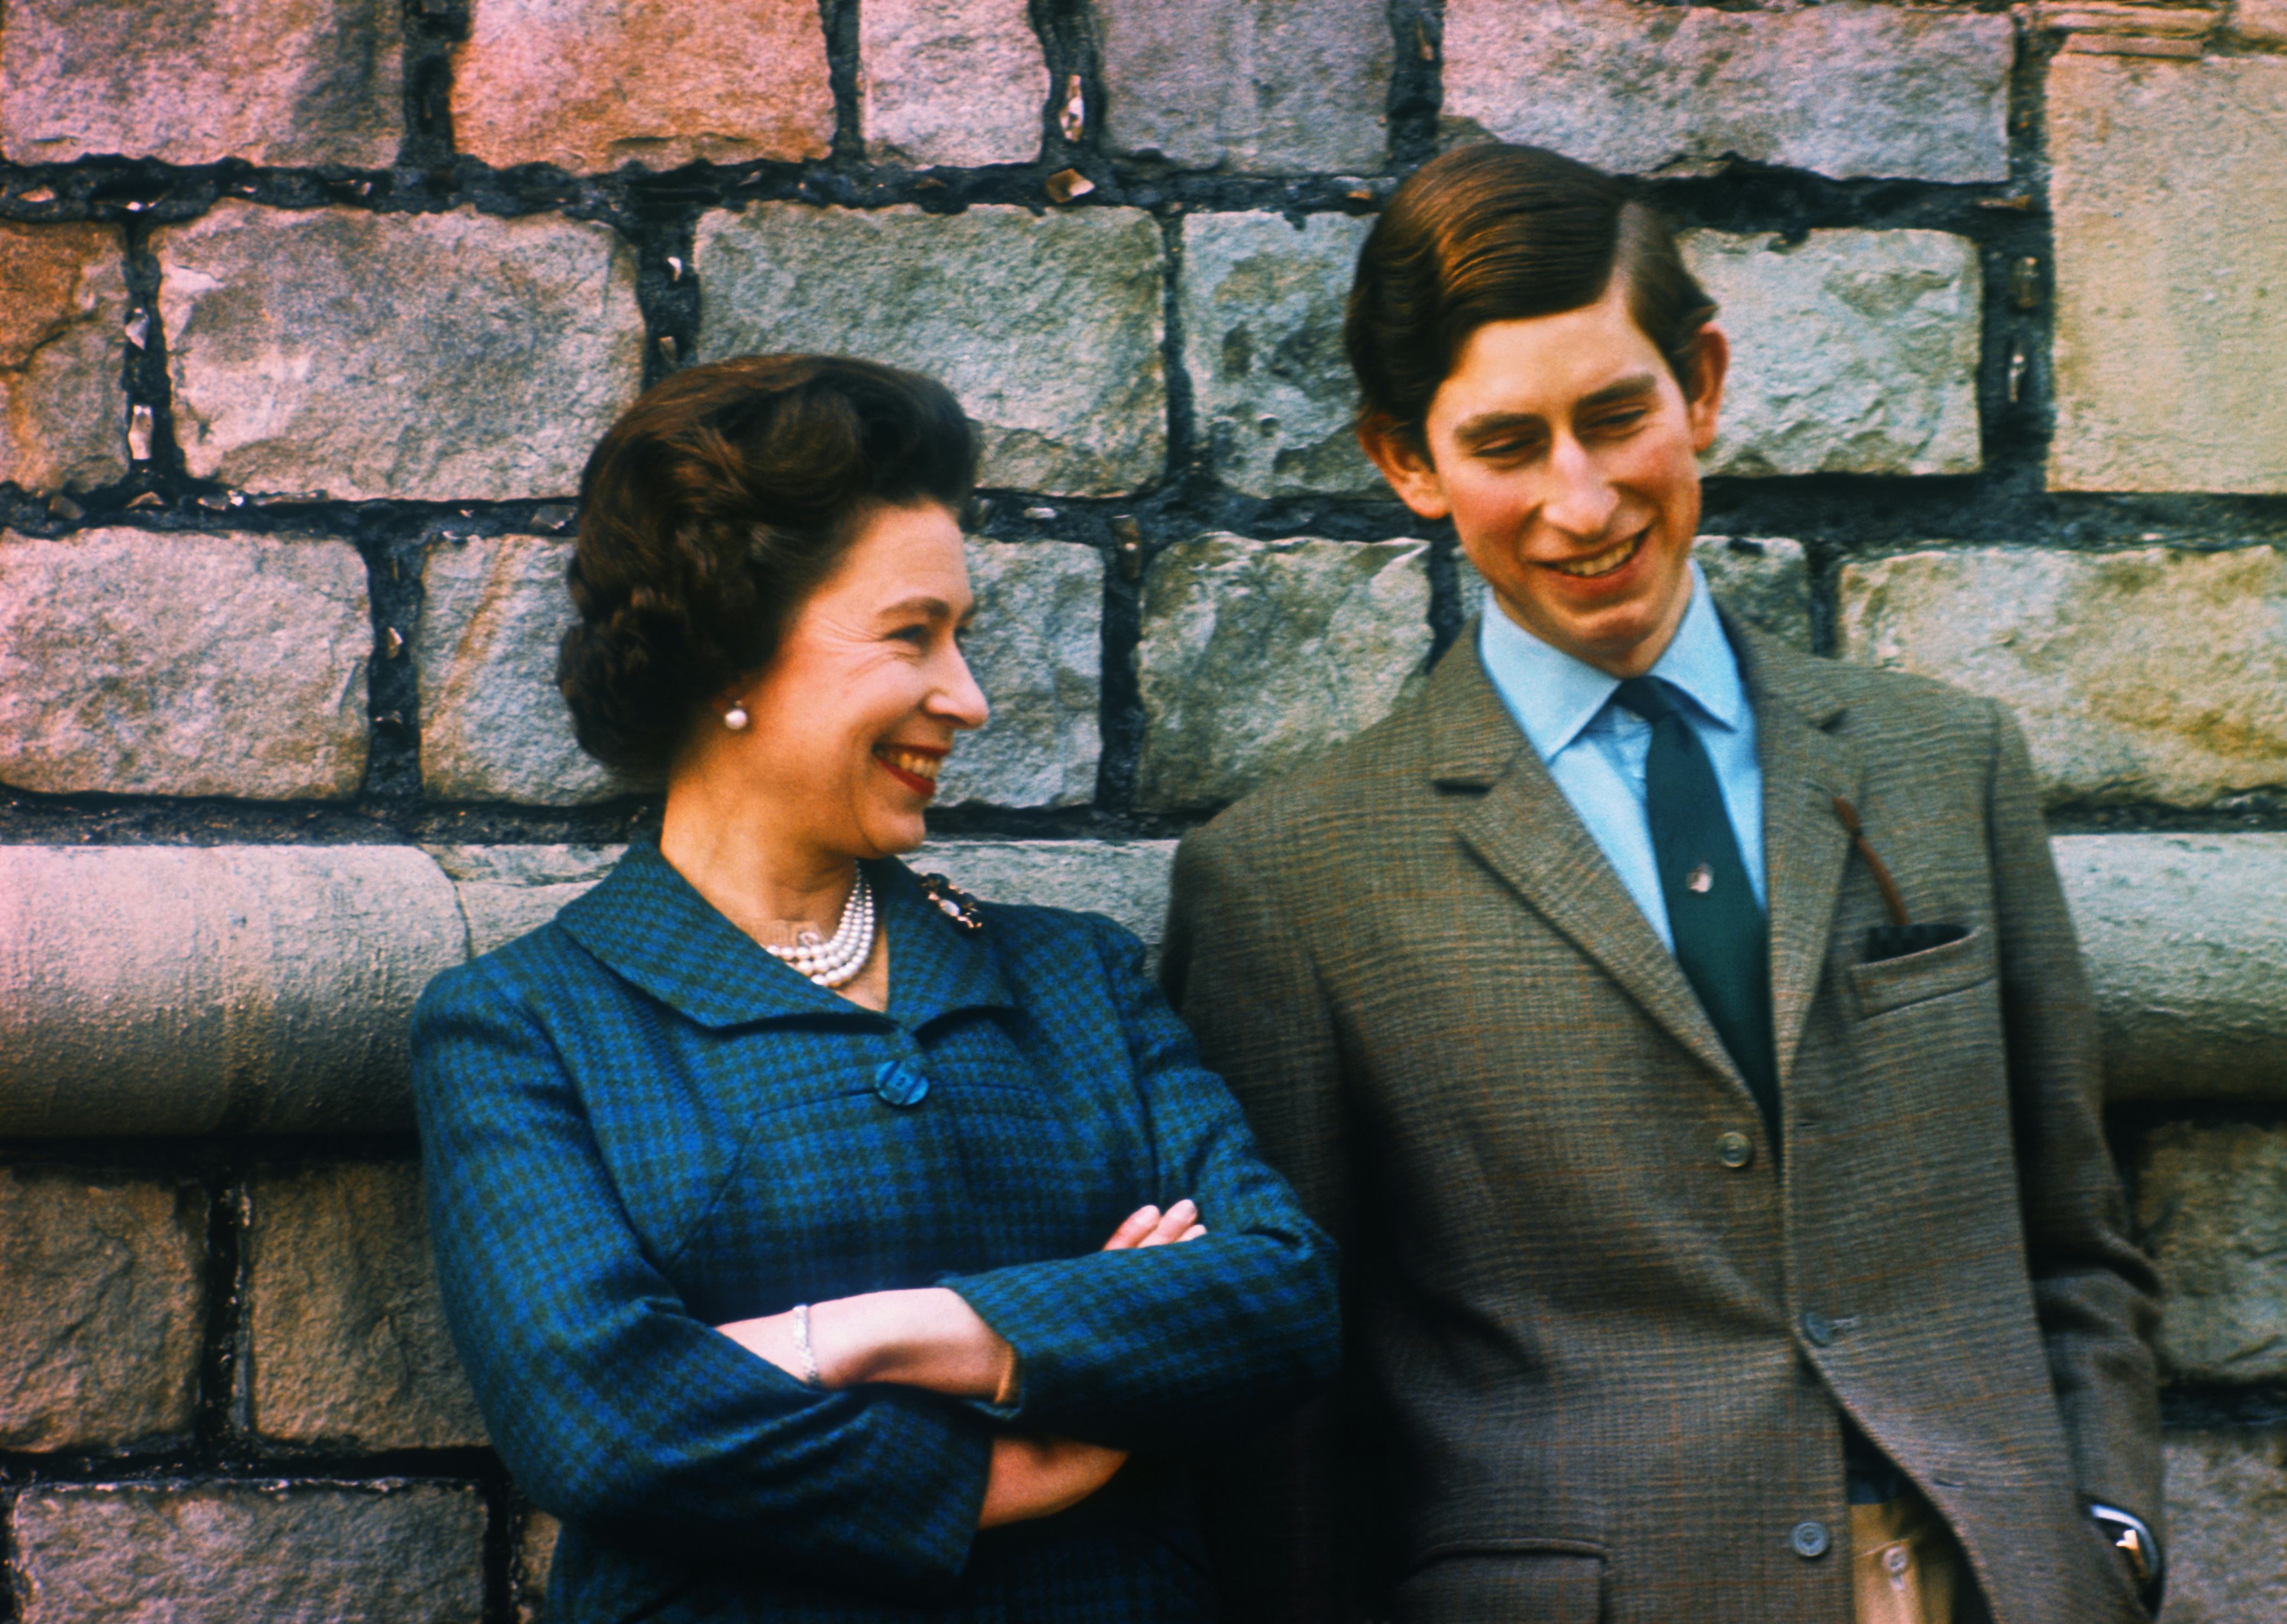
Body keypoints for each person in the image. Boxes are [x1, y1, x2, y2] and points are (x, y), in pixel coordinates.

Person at [1163, 144, 2164, 1624]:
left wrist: (2110, 1531)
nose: (1583, 500)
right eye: (1507, 444)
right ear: (1409, 463)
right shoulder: (1291, 881)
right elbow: (1287, 1409)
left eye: (1616, 416)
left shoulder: (1946, 762)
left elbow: (2074, 1232)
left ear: (1698, 384)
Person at [411, 354, 1338, 1622]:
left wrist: (874, 1334)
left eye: (960, 637)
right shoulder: (525, 1026)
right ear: (733, 650)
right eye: (913, 634)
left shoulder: (1072, 973)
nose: (968, 696)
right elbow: (607, 1420)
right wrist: (1026, 1441)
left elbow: (1280, 1293)